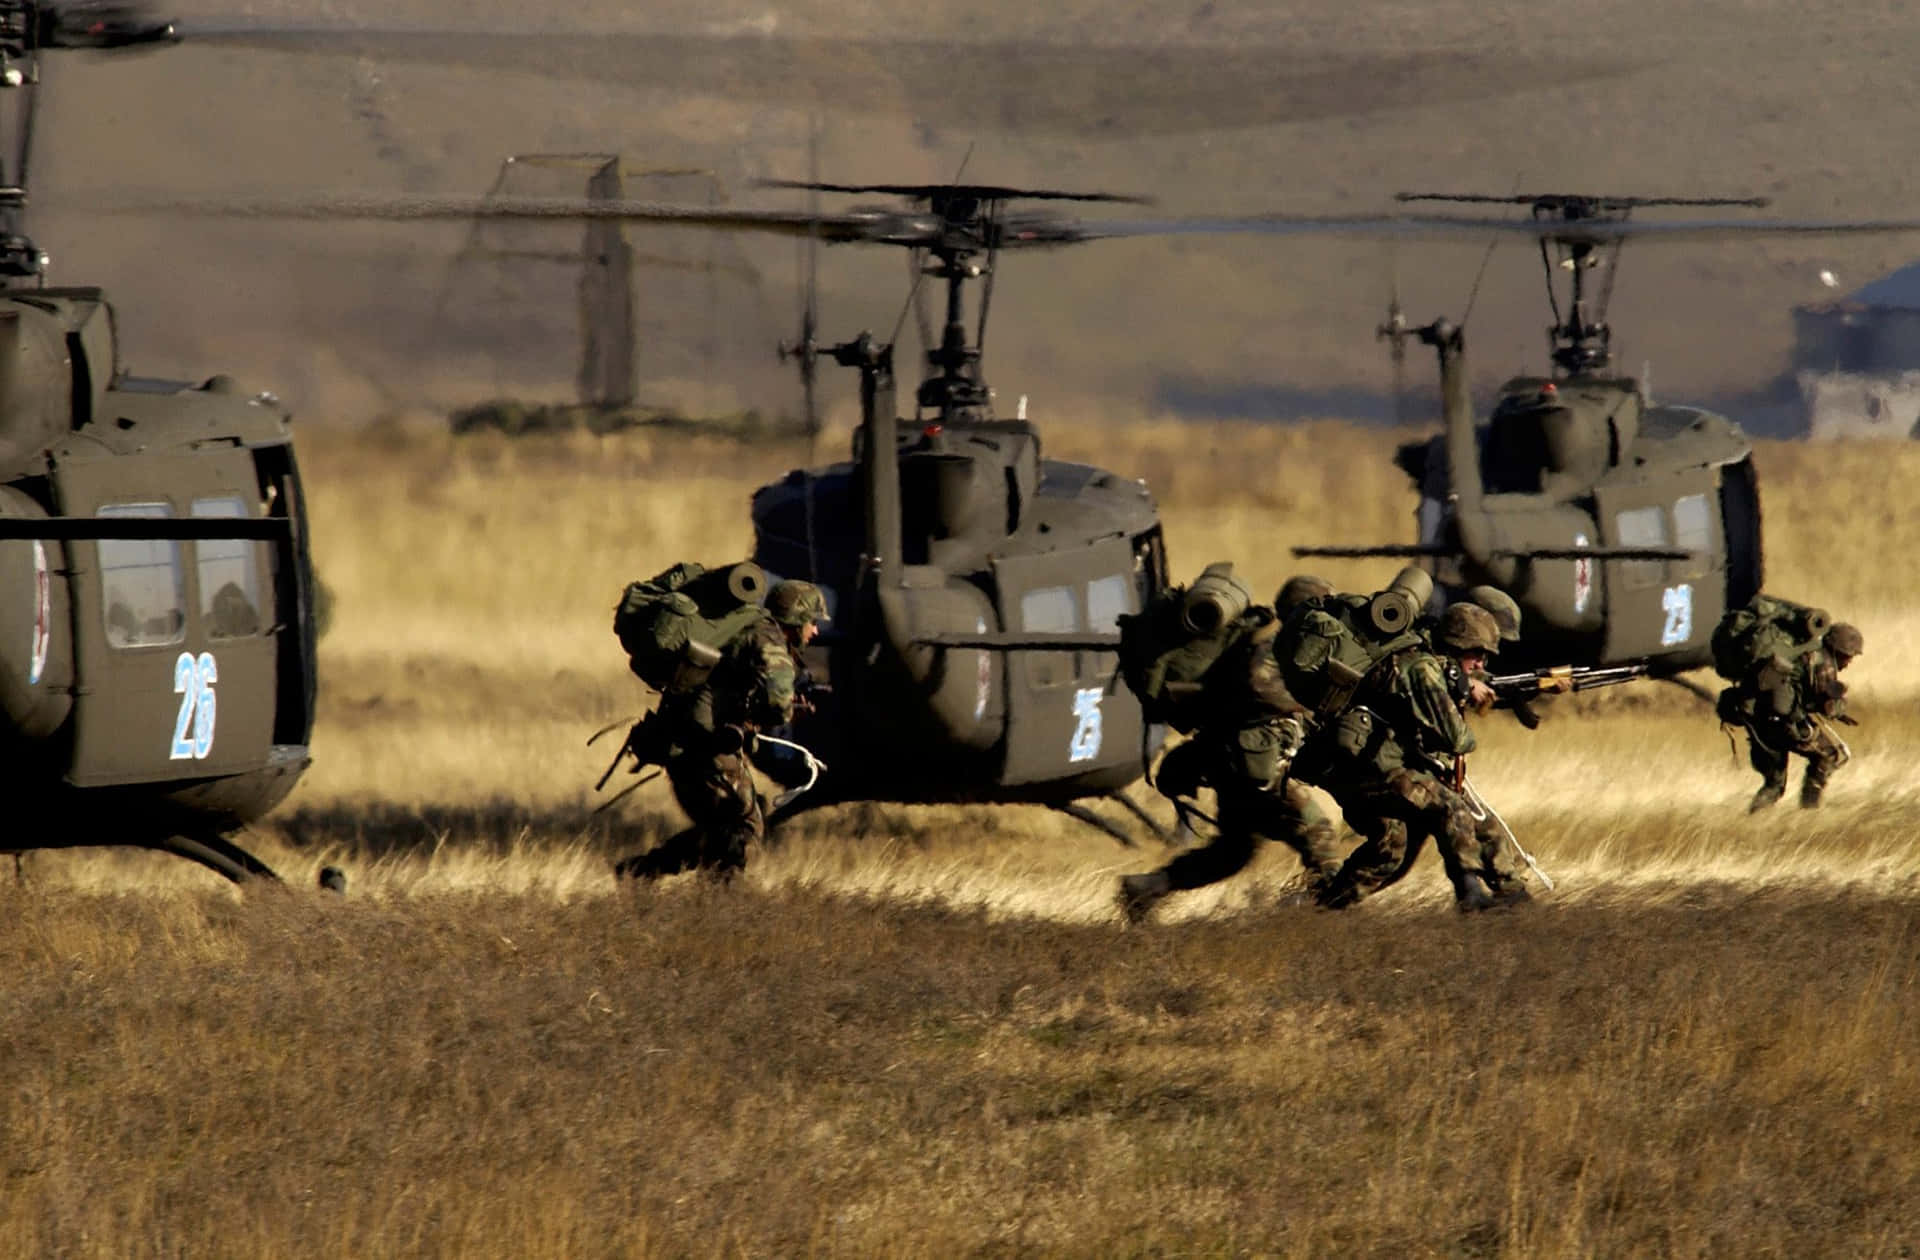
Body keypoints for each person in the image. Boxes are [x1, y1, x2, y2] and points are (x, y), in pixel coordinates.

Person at [1117, 574, 1343, 924]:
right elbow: (1259, 684)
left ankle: (1147, 886)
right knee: (1319, 834)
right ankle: (1333, 922)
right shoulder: (1276, 647)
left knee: (1233, 852)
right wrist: (1306, 701)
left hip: (1235, 760)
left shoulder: (1275, 645)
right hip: (1256, 763)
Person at [613, 580, 828, 881]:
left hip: (685, 741)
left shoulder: (744, 629)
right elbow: (777, 702)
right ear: (795, 620)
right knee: (745, 829)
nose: (815, 631)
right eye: (812, 622)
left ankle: (641, 873)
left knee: (727, 827)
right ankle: (722, 902)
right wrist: (790, 712)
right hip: (704, 746)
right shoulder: (769, 640)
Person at [1305, 602, 1509, 912]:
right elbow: (1457, 740)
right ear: (1458, 643)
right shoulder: (1423, 669)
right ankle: (1470, 892)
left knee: (1391, 852)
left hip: (1382, 768)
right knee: (1452, 807)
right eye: (1477, 653)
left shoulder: (1431, 665)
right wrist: (1464, 695)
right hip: (1371, 771)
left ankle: (1321, 909)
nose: (1481, 662)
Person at [1729, 621, 1862, 811]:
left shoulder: (1804, 653)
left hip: (1759, 720)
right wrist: (1839, 706)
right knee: (1832, 755)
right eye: (1849, 657)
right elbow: (1828, 706)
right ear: (1839, 651)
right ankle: (1810, 810)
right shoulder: (1824, 664)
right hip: (1785, 723)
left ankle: (1753, 821)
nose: (1849, 663)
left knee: (1774, 785)